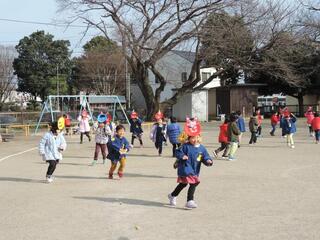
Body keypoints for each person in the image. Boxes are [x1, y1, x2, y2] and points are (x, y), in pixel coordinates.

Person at [168, 118, 213, 209]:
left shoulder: (202, 148)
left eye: (197, 137)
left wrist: (208, 161)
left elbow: (204, 157)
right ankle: (190, 201)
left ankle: (172, 195)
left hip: (195, 169)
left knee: (183, 184)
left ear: (199, 137)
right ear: (188, 138)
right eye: (192, 138)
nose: (195, 140)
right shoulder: (185, 146)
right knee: (194, 183)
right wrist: (182, 156)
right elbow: (177, 152)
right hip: (186, 168)